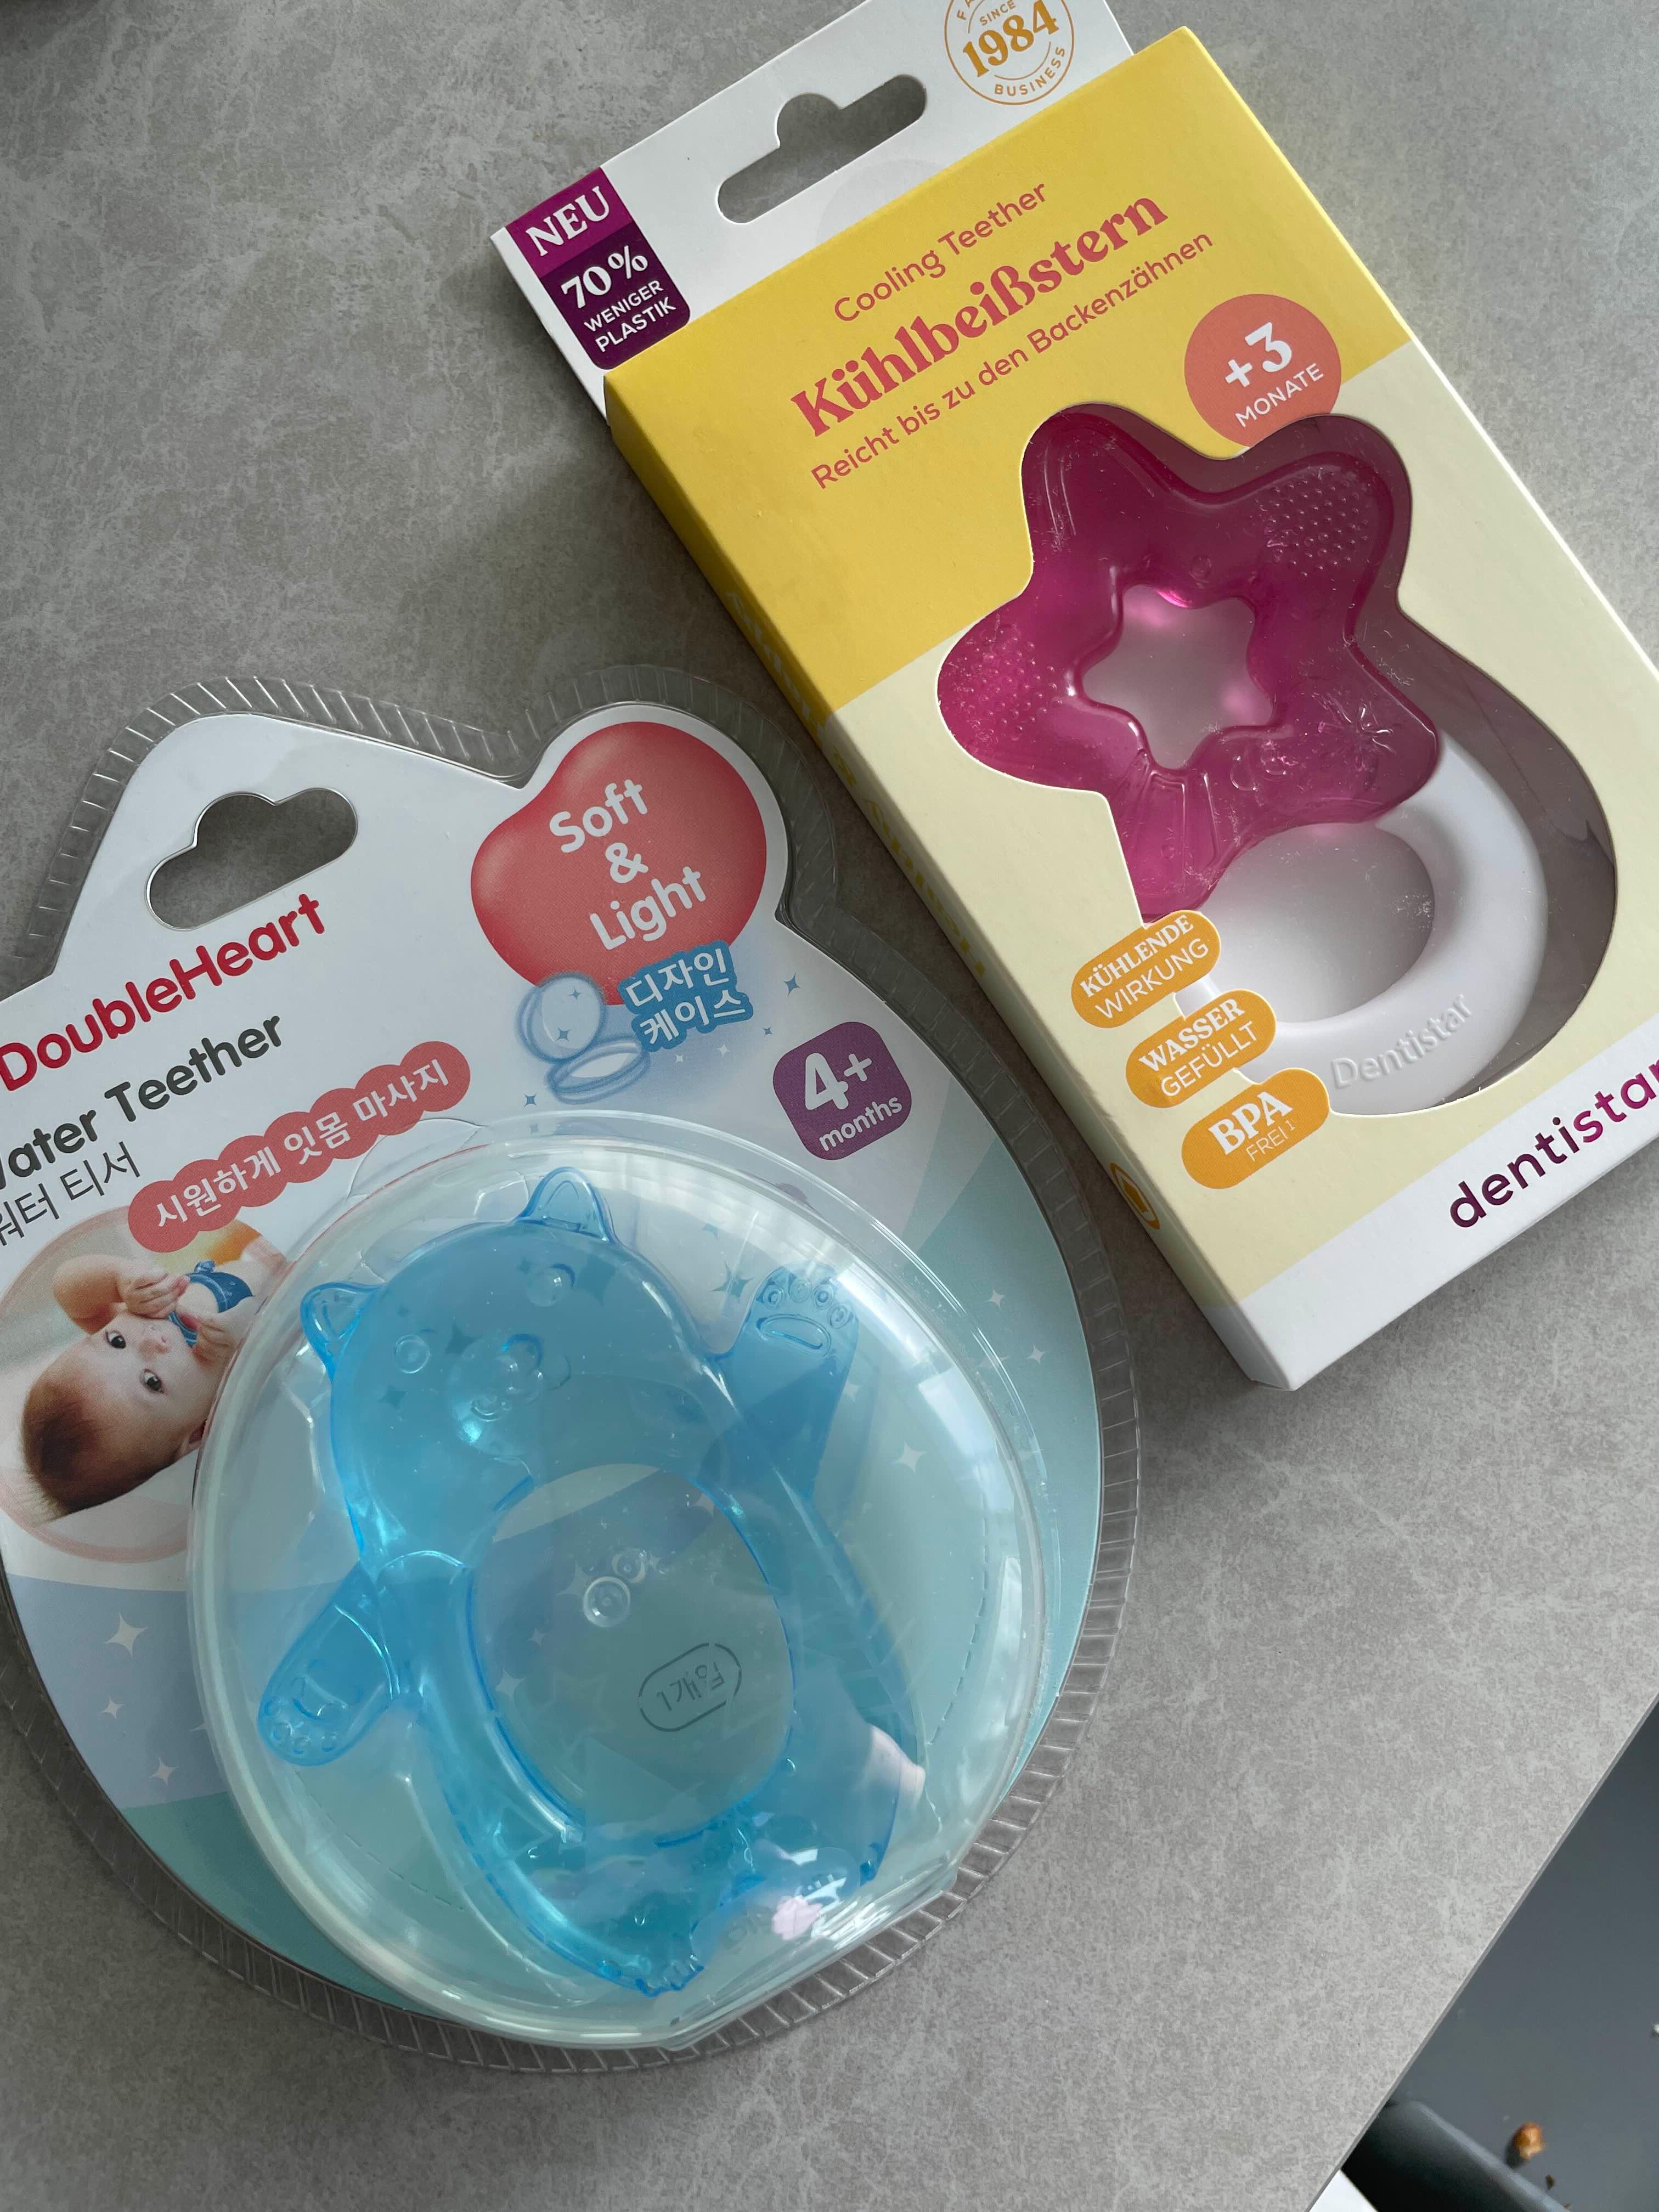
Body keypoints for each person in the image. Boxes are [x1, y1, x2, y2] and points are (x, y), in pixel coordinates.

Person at [20, 1224, 284, 1516]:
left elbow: (65, 1287)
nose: (149, 1341)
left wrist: (120, 1278)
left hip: (250, 1250)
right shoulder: (234, 1392)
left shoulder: (140, 1319)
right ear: (198, 1434)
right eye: (152, 1382)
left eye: (116, 1341)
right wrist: (252, 1336)